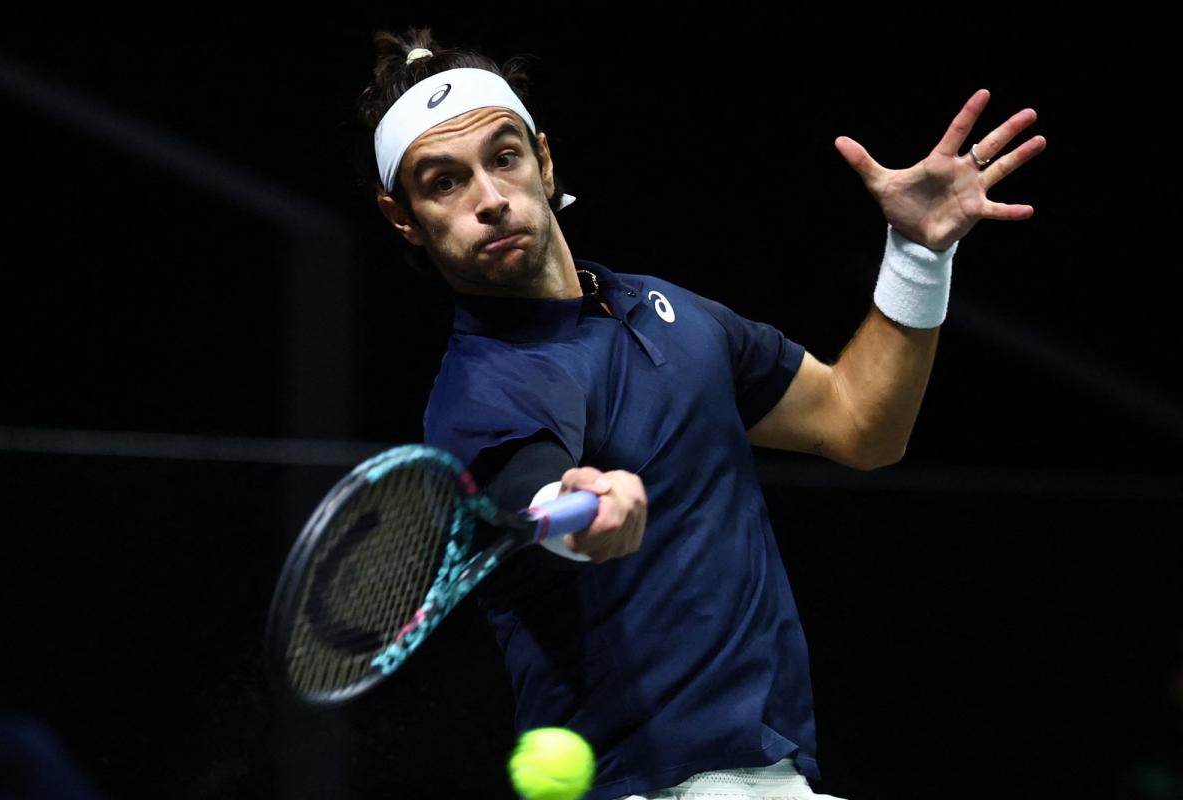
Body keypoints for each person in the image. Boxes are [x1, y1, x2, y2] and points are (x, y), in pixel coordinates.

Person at [349, 27, 1045, 800]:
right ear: (403, 216)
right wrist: (586, 510)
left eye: (504, 157)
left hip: (769, 776)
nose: (488, 198)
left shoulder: (670, 313)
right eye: (444, 182)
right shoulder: (482, 390)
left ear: (544, 163)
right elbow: (537, 497)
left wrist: (917, 254)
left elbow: (861, 426)